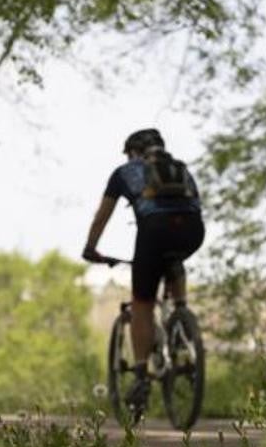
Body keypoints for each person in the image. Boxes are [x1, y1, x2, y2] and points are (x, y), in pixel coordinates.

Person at [82, 128, 205, 415]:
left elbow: (103, 215)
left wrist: (91, 247)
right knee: (173, 258)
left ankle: (140, 376)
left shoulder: (124, 172)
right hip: (192, 232)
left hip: (154, 232)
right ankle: (181, 314)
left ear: (134, 152)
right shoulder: (181, 170)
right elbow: (192, 208)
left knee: (142, 303)